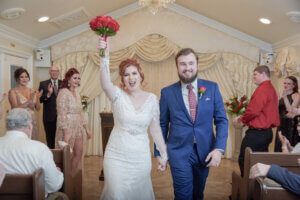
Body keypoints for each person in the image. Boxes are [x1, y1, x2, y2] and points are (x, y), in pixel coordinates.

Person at [99, 38, 168, 200]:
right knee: (116, 193)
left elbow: (156, 129)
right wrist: (104, 56)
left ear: (140, 75)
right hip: (116, 156)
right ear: (122, 79)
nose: (131, 77)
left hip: (140, 158)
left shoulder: (152, 99)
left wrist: (163, 154)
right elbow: (104, 83)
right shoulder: (117, 95)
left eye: (134, 73)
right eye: (126, 74)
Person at [155, 48, 228, 200]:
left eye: (191, 63)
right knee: (183, 195)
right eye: (182, 64)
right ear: (177, 67)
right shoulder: (167, 93)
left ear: (197, 65)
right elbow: (162, 125)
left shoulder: (212, 88)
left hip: (205, 151)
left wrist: (219, 149)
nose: (187, 68)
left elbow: (221, 120)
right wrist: (160, 153)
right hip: (178, 151)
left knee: (198, 194)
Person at [0, 108, 67, 199]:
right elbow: (54, 186)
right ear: (29, 126)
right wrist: (58, 172)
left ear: (7, 125)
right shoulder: (40, 149)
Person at [236, 65, 280, 176]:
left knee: (245, 160)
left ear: (263, 74)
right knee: (260, 162)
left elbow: (254, 111)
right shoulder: (271, 89)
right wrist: (243, 117)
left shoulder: (263, 89)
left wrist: (243, 120)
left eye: (255, 74)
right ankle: (256, 189)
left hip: (257, 134)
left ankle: (246, 190)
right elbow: (261, 111)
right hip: (266, 133)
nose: (253, 77)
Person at [55, 68, 92, 176]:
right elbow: (61, 114)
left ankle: (71, 177)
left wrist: (87, 129)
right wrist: (66, 133)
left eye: (78, 78)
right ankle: (62, 180)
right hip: (67, 126)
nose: (77, 80)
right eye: (74, 78)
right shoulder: (63, 93)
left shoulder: (77, 93)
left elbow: (80, 112)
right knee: (66, 156)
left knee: (79, 153)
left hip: (78, 127)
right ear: (68, 79)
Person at [8, 68, 42, 140]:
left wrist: (38, 97)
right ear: (17, 79)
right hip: (20, 122)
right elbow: (14, 109)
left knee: (32, 142)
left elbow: (38, 108)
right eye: (22, 77)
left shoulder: (32, 90)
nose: (24, 79)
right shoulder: (13, 92)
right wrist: (29, 101)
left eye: (26, 77)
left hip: (32, 121)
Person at [39, 66, 62, 148]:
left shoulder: (63, 83)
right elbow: (40, 100)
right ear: (49, 72)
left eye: (56, 71)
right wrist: (48, 94)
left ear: (58, 72)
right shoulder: (43, 84)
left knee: (62, 140)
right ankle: (51, 158)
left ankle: (61, 159)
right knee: (50, 140)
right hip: (49, 117)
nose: (54, 72)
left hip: (62, 117)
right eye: (52, 71)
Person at [275, 76, 300, 152]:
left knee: (288, 145)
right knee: (279, 144)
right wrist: (278, 100)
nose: (286, 85)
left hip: (291, 125)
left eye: (288, 83)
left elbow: (290, 111)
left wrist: (285, 98)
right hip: (281, 123)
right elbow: (275, 110)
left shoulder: (297, 95)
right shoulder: (281, 94)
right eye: (285, 83)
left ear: (293, 85)